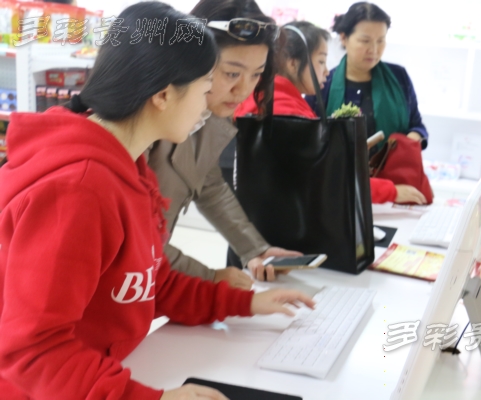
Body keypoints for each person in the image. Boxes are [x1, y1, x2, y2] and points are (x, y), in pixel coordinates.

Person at [0, 3, 314, 399]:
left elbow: (152, 282)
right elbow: (33, 350)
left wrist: (245, 304)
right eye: (206, 88)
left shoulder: (130, 168)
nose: (209, 104)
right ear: (164, 94)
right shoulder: (78, 191)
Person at [147, 0, 302, 289]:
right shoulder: (144, 121)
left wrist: (255, 249)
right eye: (232, 73)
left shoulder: (209, 114)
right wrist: (210, 279)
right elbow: (136, 241)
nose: (243, 90)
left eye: (256, 74)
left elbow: (209, 184)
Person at [235, 21, 427, 205]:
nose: (326, 71)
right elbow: (326, 178)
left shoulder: (270, 98)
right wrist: (389, 191)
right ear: (292, 64)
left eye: (381, 40)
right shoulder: (287, 112)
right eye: (321, 61)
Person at [308, 2, 430, 151]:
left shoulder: (399, 77)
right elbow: (308, 135)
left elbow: (417, 126)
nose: (374, 49)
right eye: (365, 41)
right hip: (336, 166)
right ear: (344, 38)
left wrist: (407, 143)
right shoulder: (323, 82)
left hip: (389, 166)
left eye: (380, 41)